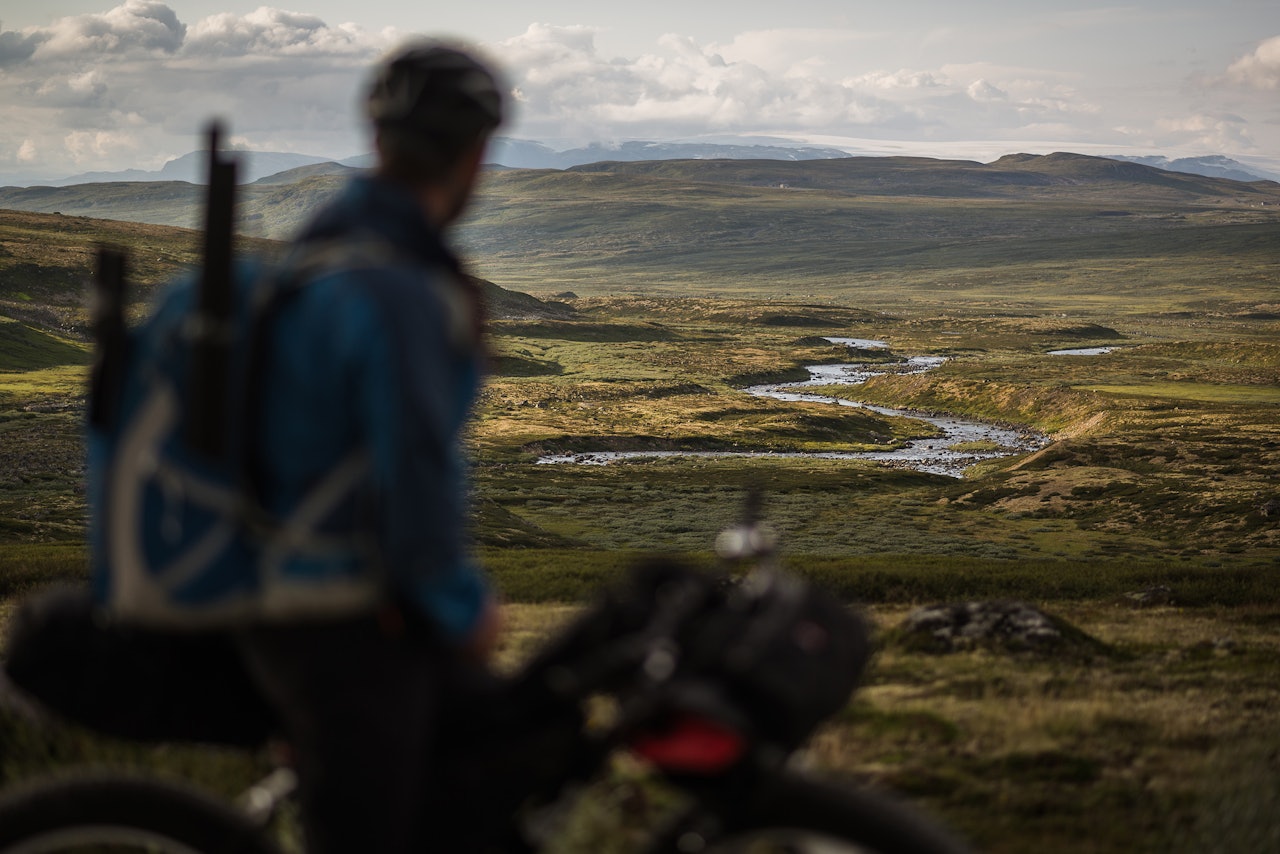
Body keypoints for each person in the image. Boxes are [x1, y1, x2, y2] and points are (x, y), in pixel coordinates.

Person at [230, 40, 506, 853]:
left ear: (378, 138)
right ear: (477, 155)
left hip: (282, 591)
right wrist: (460, 611)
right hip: (339, 617)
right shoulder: (394, 286)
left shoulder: (324, 249)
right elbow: (415, 467)